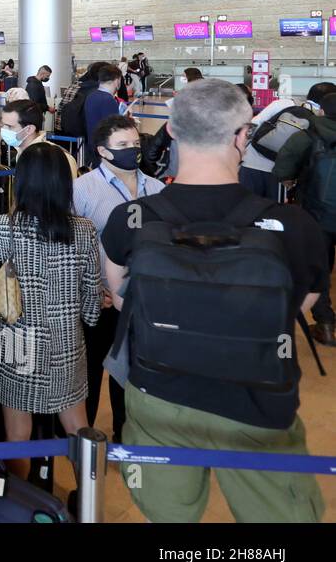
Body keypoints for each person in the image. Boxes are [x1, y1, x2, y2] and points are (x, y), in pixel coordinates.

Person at [101, 79, 328, 522]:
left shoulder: (132, 218)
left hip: (159, 395)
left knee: (166, 516)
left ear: (170, 131)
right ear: (242, 136)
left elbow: (118, 290)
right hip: (257, 400)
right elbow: (298, 305)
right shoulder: (292, 225)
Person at [0, 142, 100, 480]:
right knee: (80, 433)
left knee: (16, 437)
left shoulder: (2, 227)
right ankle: (90, 506)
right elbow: (91, 303)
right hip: (66, 345)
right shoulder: (84, 230)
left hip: (17, 343)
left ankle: (17, 505)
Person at [71, 114, 165, 443]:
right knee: (92, 371)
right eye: (123, 145)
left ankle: (126, 438)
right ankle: (85, 441)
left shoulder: (155, 190)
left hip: (142, 301)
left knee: (131, 375)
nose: (132, 151)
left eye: (136, 144)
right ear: (103, 151)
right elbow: (73, 245)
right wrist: (93, 286)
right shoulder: (82, 190)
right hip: (100, 299)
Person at [269, 90, 336, 344]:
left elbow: (282, 170)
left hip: (316, 213)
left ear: (320, 110)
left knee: (318, 266)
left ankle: (326, 324)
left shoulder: (307, 134)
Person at [1, 100, 79, 177]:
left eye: (9, 126)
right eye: (3, 124)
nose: (3, 129)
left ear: (29, 129)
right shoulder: (23, 151)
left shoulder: (56, 159)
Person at [82, 65, 123, 166]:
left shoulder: (91, 96)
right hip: (105, 149)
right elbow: (113, 128)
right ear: (117, 80)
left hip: (93, 145)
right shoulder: (109, 100)